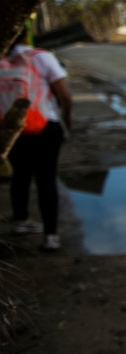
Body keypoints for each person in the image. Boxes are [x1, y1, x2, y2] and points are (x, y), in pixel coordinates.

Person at [5, 31, 73, 251]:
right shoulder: (41, 56)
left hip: (12, 129)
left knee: (20, 175)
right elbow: (65, 95)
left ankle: (20, 221)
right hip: (45, 125)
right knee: (46, 178)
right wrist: (67, 118)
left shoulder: (2, 61)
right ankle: (51, 236)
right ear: (25, 36)